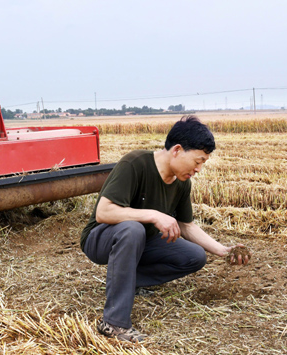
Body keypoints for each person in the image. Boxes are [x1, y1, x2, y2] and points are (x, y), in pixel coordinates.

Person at [80, 115, 250, 342]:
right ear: (178, 150)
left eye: (203, 163)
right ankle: (113, 323)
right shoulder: (135, 163)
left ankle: (130, 281)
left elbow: (186, 225)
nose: (198, 169)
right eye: (197, 161)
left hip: (141, 240)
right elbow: (104, 212)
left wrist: (222, 250)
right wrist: (153, 215)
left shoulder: (181, 182)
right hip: (101, 238)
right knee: (133, 229)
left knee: (194, 256)